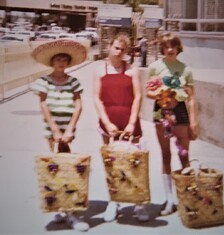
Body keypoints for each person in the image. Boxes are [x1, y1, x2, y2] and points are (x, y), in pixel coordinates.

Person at [30, 39, 89, 231]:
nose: (61, 62)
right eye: (58, 59)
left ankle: (70, 210)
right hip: (52, 129)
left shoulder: (73, 82)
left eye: (64, 59)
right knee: (55, 168)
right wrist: (55, 129)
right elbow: (43, 105)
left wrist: (71, 128)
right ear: (52, 62)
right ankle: (61, 208)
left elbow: (79, 105)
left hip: (68, 129)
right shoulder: (44, 82)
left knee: (69, 168)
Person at [93, 33, 150, 222]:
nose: (119, 52)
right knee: (112, 164)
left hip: (129, 120)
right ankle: (114, 201)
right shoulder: (99, 70)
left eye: (123, 50)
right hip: (108, 122)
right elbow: (97, 98)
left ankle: (139, 204)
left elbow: (138, 97)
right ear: (109, 47)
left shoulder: (133, 71)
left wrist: (132, 122)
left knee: (134, 163)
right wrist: (106, 122)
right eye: (116, 48)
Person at [146, 33, 198, 216]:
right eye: (166, 46)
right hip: (161, 112)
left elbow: (191, 98)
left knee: (184, 156)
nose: (170, 49)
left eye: (173, 46)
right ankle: (169, 200)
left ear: (178, 48)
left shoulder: (185, 69)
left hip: (181, 112)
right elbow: (148, 93)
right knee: (166, 155)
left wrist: (193, 122)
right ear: (162, 48)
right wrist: (164, 95)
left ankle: (188, 199)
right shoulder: (154, 67)